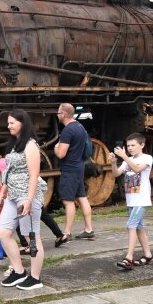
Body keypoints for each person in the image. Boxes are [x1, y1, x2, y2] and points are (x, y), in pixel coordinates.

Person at [0, 109, 48, 290]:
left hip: (26, 196)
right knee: (3, 232)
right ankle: (19, 272)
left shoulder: (31, 145)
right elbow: (7, 169)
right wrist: (3, 189)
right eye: (9, 123)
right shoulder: (14, 144)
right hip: (12, 195)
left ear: (22, 123)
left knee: (31, 237)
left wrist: (29, 199)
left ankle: (35, 278)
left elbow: (34, 175)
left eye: (12, 123)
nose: (9, 126)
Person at [110, 133, 153, 270]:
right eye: (128, 145)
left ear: (142, 145)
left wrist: (123, 157)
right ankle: (148, 256)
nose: (130, 148)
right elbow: (116, 174)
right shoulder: (126, 160)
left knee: (131, 226)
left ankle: (128, 258)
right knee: (139, 227)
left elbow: (137, 168)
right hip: (131, 200)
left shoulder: (147, 158)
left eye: (133, 145)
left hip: (142, 199)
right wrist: (113, 163)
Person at [54, 103, 94, 245]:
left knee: (68, 201)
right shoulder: (80, 127)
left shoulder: (67, 131)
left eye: (59, 112)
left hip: (69, 169)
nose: (57, 114)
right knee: (81, 197)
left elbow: (61, 154)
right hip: (79, 166)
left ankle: (67, 232)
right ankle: (89, 229)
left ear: (64, 114)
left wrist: (55, 147)